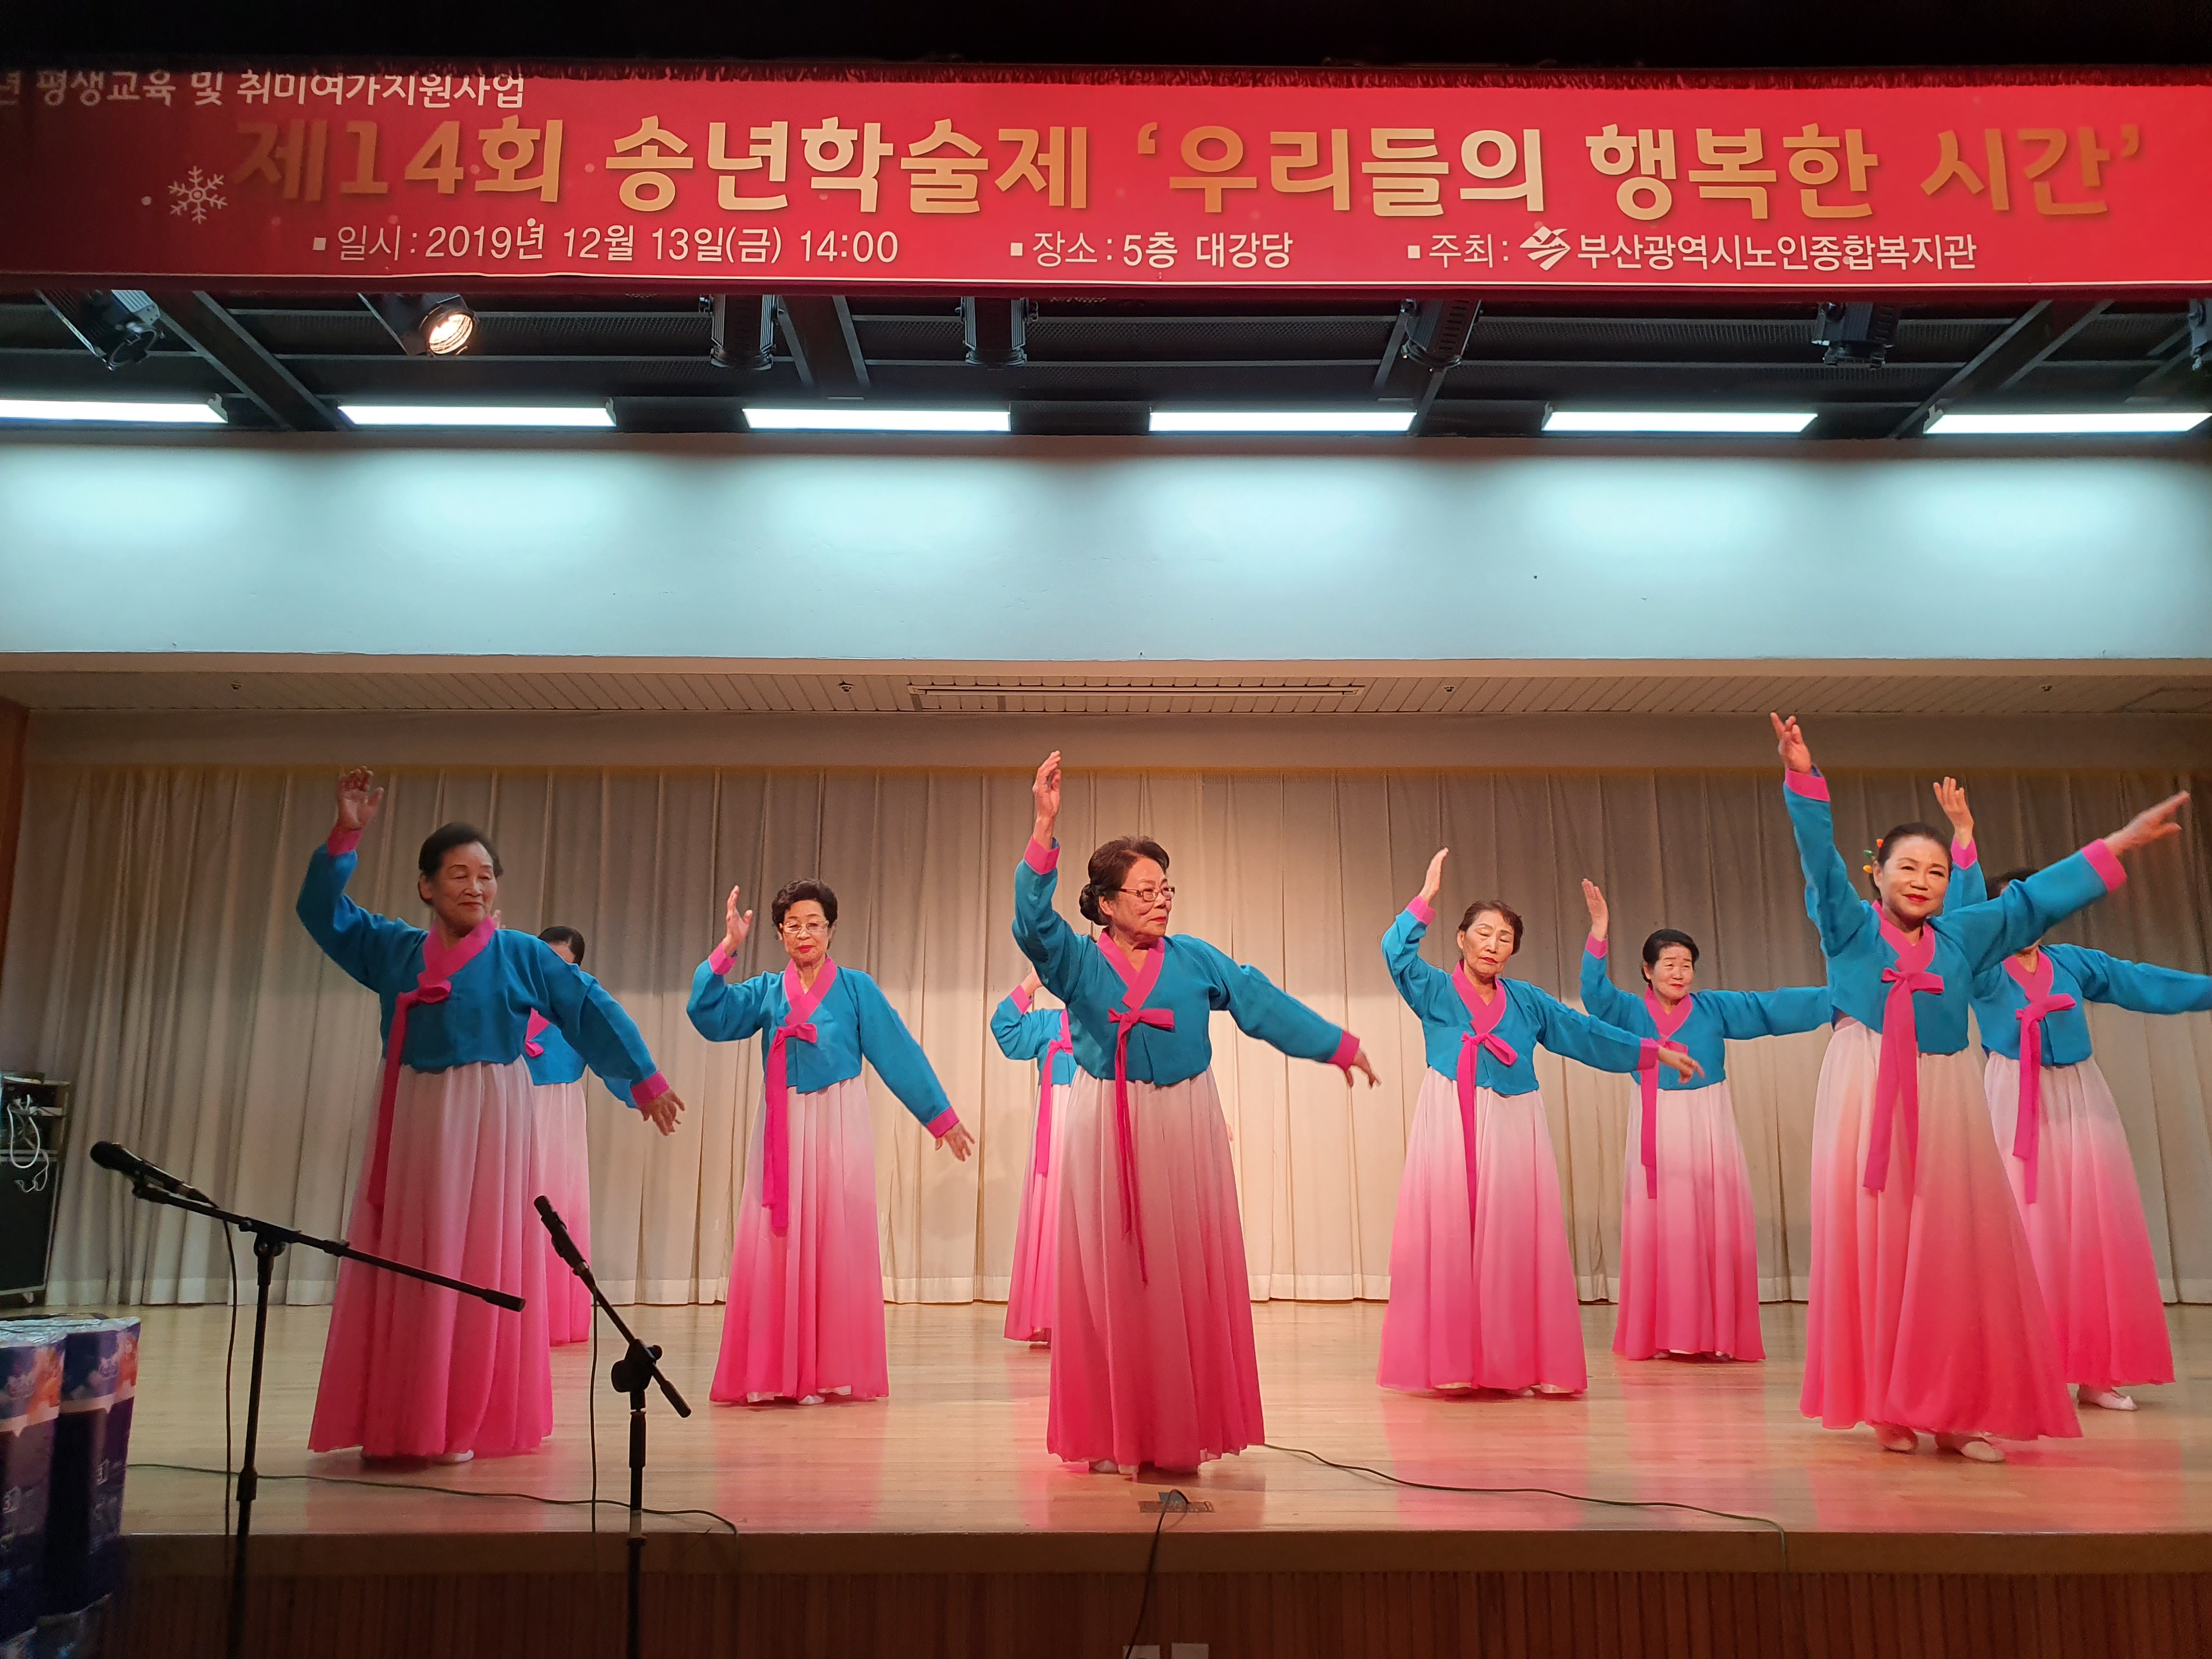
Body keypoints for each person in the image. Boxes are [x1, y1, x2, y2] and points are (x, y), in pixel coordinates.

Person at [1772, 714, 2187, 1460]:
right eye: (1907, 867)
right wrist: (1804, 778)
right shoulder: (1850, 929)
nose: (1922, 881)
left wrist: (2117, 845)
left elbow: (2034, 902)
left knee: (1952, 1252)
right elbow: (1819, 862)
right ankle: (1888, 1405)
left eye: (1936, 872)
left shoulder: (1962, 937)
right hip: (1866, 1090)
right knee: (1875, 1248)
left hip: (1945, 1095)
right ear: (1877, 874)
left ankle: (1955, 1412)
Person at [298, 769, 683, 1464]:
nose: (475, 888)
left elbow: (587, 1005)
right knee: (412, 1257)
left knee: (476, 1253)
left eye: (485, 877)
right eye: (458, 875)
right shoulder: (393, 949)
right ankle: (405, 1415)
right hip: (414, 1116)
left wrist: (644, 1078)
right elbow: (323, 914)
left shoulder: (519, 954)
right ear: (425, 887)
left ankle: (464, 1418)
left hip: (490, 1121)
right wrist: (346, 834)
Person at [1016, 752, 1379, 1475]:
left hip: (1186, 1122)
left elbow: (1260, 1002)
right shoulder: (1077, 963)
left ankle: (1182, 1426)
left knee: (1182, 1275)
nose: (1161, 901)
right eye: (1145, 890)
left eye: (1166, 888)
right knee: (1113, 1277)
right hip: (1107, 1120)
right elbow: (1033, 924)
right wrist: (1044, 829)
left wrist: (1336, 1045)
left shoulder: (1194, 958)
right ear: (1106, 903)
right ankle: (1113, 1432)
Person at [1379, 849, 1702, 1397]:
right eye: (1484, 933)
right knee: (1452, 1236)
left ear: (1513, 951)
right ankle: (1453, 1362)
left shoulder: (1527, 1001)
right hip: (1451, 1118)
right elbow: (1395, 953)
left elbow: (1586, 1033)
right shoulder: (1434, 989)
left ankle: (1510, 1362)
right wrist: (1425, 898)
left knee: (1512, 1241)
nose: (1492, 944)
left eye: (1505, 938)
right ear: (1461, 939)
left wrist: (1652, 1051)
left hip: (1514, 1122)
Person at [1934, 777, 2209, 1411]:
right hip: (2014, 1098)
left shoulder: (2075, 963)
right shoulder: (1982, 969)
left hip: (2082, 1097)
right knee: (2023, 1232)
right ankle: (2025, 1368)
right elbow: (1959, 927)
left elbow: (2145, 983)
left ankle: (2097, 1370)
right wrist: (1965, 841)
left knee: (2093, 1229)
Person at [690, 878, 974, 1406]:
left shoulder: (856, 988)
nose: (804, 934)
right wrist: (728, 947)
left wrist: (940, 1117)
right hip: (783, 1121)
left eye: (814, 924)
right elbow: (710, 1015)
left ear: (831, 930)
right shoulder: (766, 991)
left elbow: (897, 1052)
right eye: (793, 925)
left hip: (840, 1119)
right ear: (779, 934)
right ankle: (779, 1369)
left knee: (835, 1235)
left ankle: (828, 1368)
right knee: (778, 1240)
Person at [1579, 882, 1830, 1363]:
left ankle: (1714, 1332)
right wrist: (1600, 930)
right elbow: (1594, 994)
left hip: (1709, 1124)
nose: (1679, 973)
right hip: (1655, 1123)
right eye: (1669, 964)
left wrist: (1839, 995)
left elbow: (1769, 1008)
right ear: (1647, 971)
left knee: (1712, 1223)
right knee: (1662, 1227)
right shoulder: (1629, 1010)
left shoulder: (1713, 1008)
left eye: (1686, 964)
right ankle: (1663, 1331)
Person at [524, 925, 652, 1346]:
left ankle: (553, 1315)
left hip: (558, 1109)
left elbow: (612, 1048)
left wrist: (645, 1091)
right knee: (511, 1203)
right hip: (512, 1101)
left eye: (564, 964)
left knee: (555, 1202)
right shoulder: (514, 995)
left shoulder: (579, 1004)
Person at [991, 968, 1077, 1345]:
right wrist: (1030, 983)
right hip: (1055, 1127)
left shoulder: (1110, 1019)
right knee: (1054, 1211)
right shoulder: (1047, 1023)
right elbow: (1005, 1029)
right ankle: (1053, 1314)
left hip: (1096, 1118)